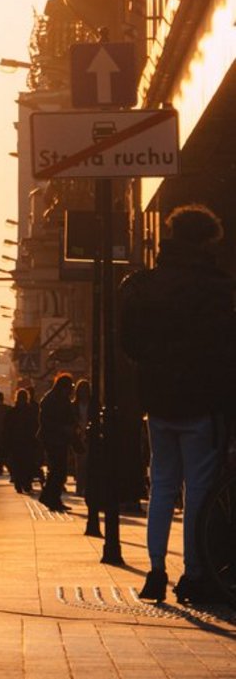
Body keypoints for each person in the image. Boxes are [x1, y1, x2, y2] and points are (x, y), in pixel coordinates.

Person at [118, 202, 236, 604]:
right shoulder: (214, 287)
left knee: (163, 486)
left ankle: (155, 570)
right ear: (206, 241)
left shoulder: (149, 283)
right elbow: (225, 350)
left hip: (158, 400)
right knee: (198, 489)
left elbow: (129, 341)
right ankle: (194, 573)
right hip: (201, 401)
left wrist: (152, 366)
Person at [37, 371, 76, 512]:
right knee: (58, 470)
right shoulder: (55, 400)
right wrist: (63, 428)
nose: (71, 390)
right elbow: (48, 421)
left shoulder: (56, 398)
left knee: (57, 470)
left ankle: (51, 497)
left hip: (57, 438)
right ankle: (51, 497)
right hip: (55, 439)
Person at [4, 386, 39, 493]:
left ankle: (19, 483)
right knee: (27, 463)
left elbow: (7, 428)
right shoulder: (30, 411)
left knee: (18, 464)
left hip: (16, 442)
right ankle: (26, 483)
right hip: (27, 441)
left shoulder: (12, 412)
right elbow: (35, 426)